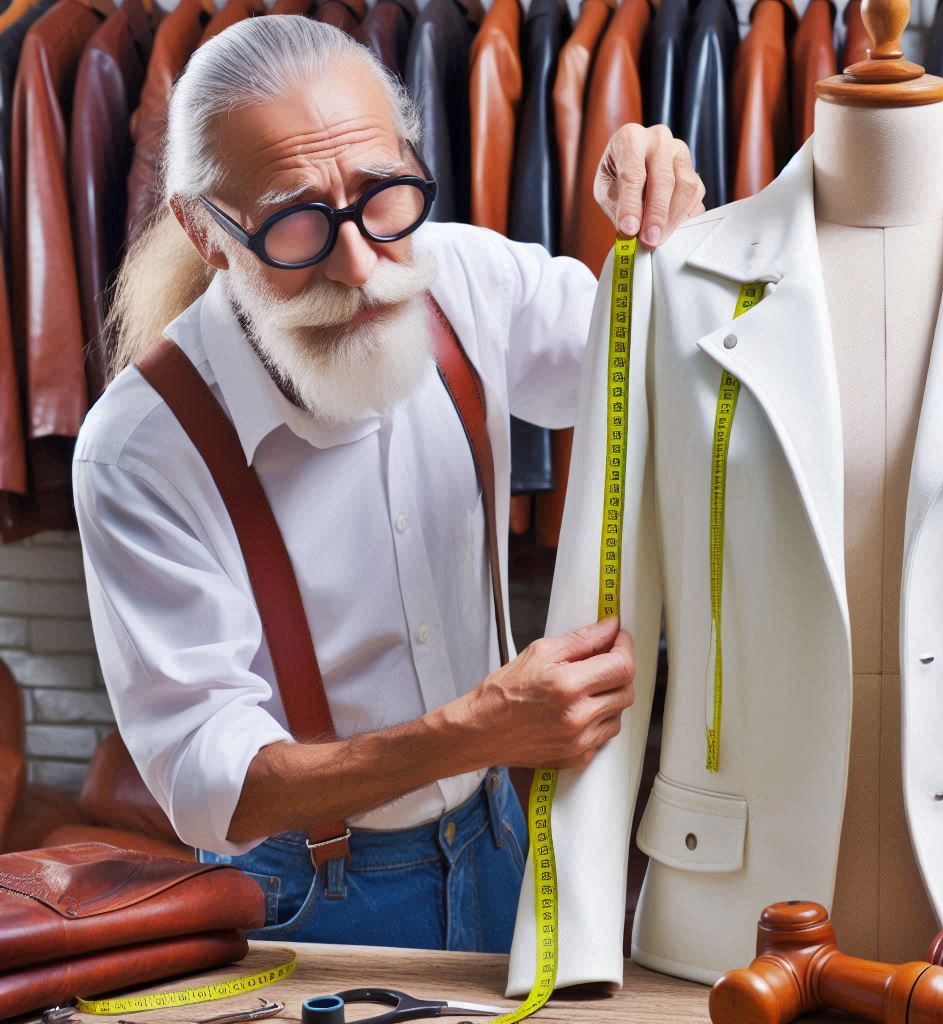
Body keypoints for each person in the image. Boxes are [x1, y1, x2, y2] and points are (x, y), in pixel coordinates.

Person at [74, 14, 707, 951]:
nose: (361, 266)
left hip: (503, 840)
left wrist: (674, 226)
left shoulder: (469, 281)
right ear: (205, 232)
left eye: (381, 194)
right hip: (305, 898)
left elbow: (666, 354)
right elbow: (217, 784)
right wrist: (479, 731)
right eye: (295, 221)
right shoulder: (138, 449)